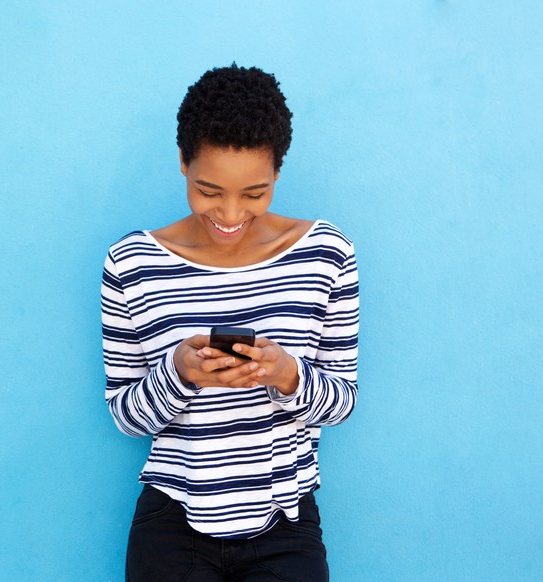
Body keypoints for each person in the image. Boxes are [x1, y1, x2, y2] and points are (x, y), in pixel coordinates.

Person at [101, 64, 359, 582]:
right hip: (171, 526)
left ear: (278, 172)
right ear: (182, 163)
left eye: (255, 193)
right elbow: (126, 418)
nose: (230, 213)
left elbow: (343, 402)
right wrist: (179, 372)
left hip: (285, 528)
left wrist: (287, 374)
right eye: (209, 190)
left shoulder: (327, 255)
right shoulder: (131, 265)